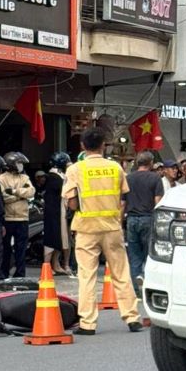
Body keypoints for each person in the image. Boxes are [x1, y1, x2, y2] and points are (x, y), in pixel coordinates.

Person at [63, 127, 143, 335]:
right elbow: (122, 198)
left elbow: (72, 203)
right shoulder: (115, 168)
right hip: (112, 227)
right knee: (121, 272)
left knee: (87, 276)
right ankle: (132, 318)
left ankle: (88, 323)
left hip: (86, 228)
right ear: (103, 146)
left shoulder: (75, 169)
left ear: (83, 146)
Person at [124, 151, 163, 292]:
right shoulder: (155, 178)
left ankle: (136, 288)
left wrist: (120, 220)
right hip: (148, 218)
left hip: (131, 219)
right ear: (151, 163)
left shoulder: (128, 178)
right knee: (149, 253)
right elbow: (158, 201)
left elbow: (122, 202)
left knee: (134, 254)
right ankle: (145, 278)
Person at [0, 151, 35, 278]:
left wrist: (14, 192)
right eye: (19, 163)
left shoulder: (25, 178)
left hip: (22, 218)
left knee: (21, 249)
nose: (21, 165)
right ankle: (4, 273)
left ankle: (20, 274)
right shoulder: (1, 178)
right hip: (7, 218)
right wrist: (21, 196)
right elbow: (3, 197)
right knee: (6, 249)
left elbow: (31, 191)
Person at [43, 152, 73, 275]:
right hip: (54, 213)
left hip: (59, 212)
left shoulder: (58, 175)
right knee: (53, 238)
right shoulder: (54, 177)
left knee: (60, 239)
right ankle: (47, 266)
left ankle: (56, 264)